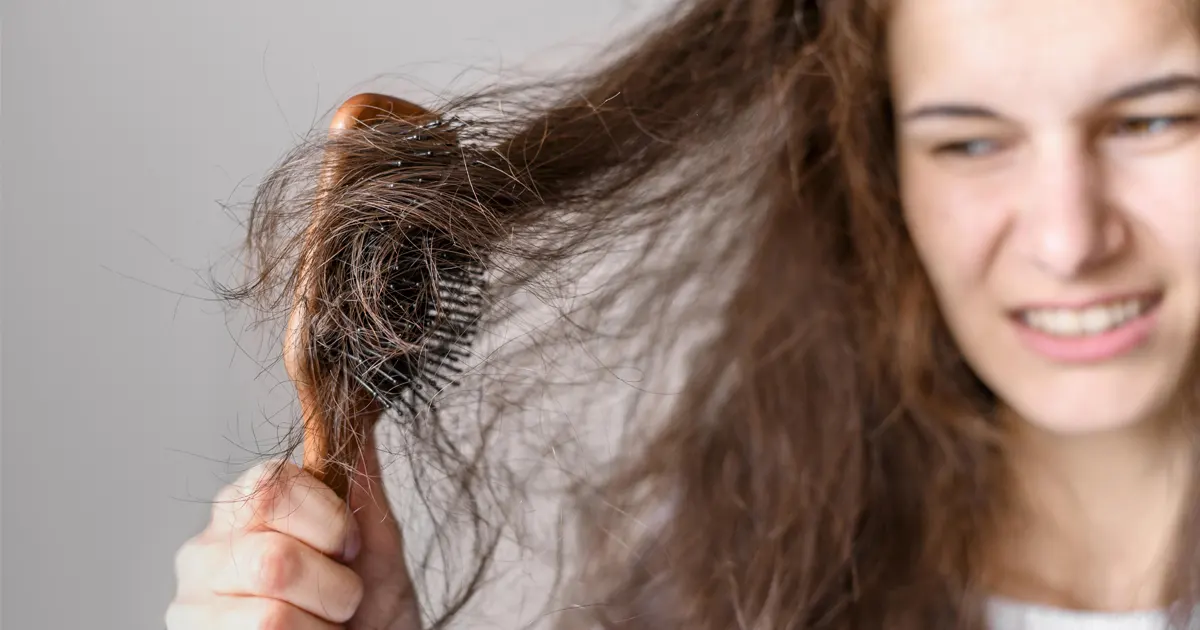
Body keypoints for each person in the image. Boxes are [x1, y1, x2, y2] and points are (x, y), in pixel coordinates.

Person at [166, 0, 1200, 627]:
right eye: (968, 142)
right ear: (881, 175)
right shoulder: (737, 577)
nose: (1070, 240)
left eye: (1154, 119)